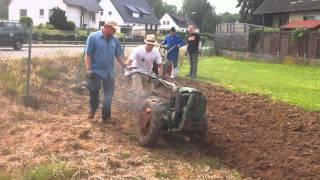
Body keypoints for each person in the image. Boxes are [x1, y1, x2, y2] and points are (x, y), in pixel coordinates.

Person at [85, 21, 128, 123]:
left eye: (115, 29)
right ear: (106, 27)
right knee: (94, 91)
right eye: (113, 29)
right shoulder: (93, 37)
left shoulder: (115, 40)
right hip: (95, 70)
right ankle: (93, 108)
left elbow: (118, 55)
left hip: (109, 72)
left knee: (109, 94)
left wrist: (125, 65)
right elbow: (88, 54)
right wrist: (88, 69)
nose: (115, 31)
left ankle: (106, 117)